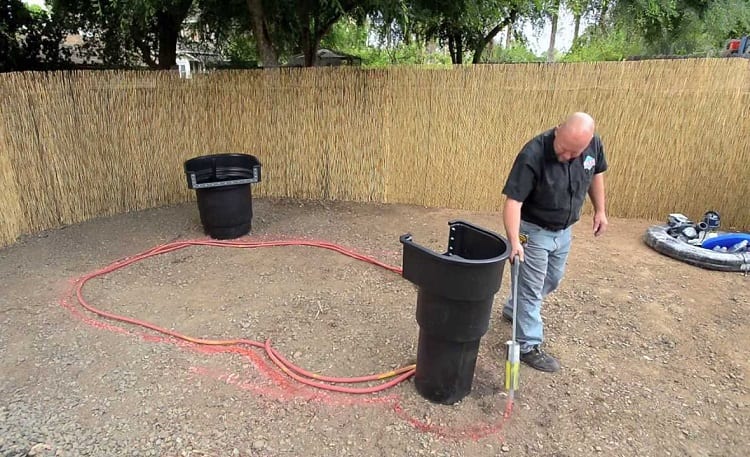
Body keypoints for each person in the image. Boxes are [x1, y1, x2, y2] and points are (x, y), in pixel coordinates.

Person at [500, 112, 609, 373]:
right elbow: (513, 201)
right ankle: (527, 345)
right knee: (530, 286)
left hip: (564, 231)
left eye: (573, 154)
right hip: (533, 232)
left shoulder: (593, 145)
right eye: (562, 150)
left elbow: (596, 174)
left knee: (553, 279)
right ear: (557, 130)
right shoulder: (532, 154)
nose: (565, 157)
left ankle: (514, 309)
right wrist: (515, 241)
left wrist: (600, 210)